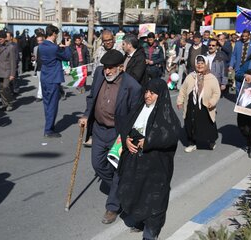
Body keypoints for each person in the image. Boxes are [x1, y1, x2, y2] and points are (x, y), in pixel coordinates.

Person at [78, 49, 141, 225]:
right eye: (106, 67)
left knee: (118, 169)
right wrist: (85, 115)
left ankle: (113, 206)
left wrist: (129, 137)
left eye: (111, 68)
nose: (107, 71)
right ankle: (120, 187)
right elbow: (91, 98)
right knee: (98, 164)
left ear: (121, 67)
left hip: (118, 133)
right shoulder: (99, 74)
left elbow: (135, 115)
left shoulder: (132, 86)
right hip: (99, 129)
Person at [117, 78, 180, 240]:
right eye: (146, 91)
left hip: (155, 165)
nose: (148, 96)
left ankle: (151, 232)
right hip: (135, 161)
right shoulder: (139, 108)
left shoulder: (166, 113)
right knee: (136, 191)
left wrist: (150, 141)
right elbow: (125, 126)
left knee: (154, 198)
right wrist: (126, 140)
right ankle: (139, 219)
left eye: (152, 93)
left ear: (160, 95)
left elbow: (171, 135)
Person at [177, 55, 221, 152]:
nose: (200, 65)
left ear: (206, 64)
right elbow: (183, 90)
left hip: (206, 105)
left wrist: (212, 102)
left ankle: (211, 141)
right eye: (198, 63)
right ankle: (192, 143)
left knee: (207, 124)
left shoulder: (211, 78)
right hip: (191, 105)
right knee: (190, 123)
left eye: (202, 63)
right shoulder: (190, 77)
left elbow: (217, 92)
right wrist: (180, 101)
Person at [39, 25, 71, 138]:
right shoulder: (54, 48)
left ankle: (49, 126)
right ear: (53, 34)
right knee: (52, 104)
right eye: (56, 34)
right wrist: (66, 46)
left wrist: (58, 46)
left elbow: (52, 52)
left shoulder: (42, 46)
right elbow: (67, 57)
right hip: (53, 78)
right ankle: (49, 129)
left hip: (45, 77)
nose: (57, 36)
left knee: (47, 103)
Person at [229, 29, 251, 97]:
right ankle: (238, 101)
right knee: (238, 87)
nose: (244, 38)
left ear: (249, 36)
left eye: (246, 36)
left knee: (246, 87)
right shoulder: (238, 43)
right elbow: (234, 55)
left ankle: (244, 102)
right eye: (243, 36)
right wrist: (231, 65)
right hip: (238, 69)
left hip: (249, 70)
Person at [0, 31, 16, 112]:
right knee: (0, 88)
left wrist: (12, 74)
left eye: (1, 39)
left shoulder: (11, 47)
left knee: (6, 87)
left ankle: (10, 102)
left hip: (7, 70)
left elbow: (13, 61)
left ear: (5, 39)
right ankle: (4, 104)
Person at [33, 34, 45, 102]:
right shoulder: (35, 48)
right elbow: (35, 57)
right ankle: (40, 95)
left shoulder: (46, 48)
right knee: (40, 82)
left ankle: (40, 95)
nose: (39, 42)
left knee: (45, 82)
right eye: (38, 41)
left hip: (45, 67)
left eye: (41, 40)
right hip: (38, 67)